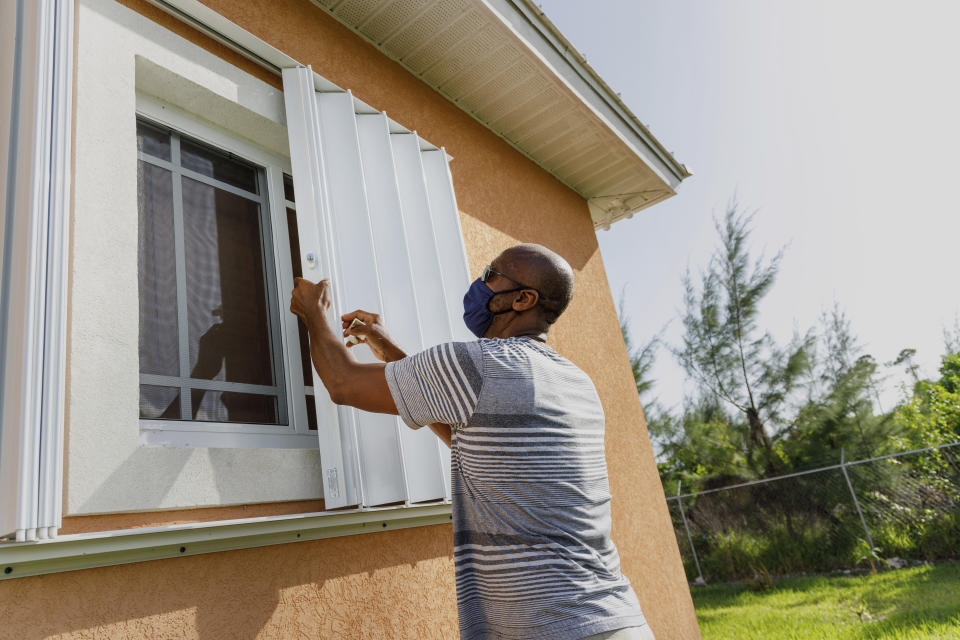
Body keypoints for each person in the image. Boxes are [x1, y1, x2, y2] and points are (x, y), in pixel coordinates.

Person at [289, 243, 654, 640]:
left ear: (522, 299)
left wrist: (315, 313)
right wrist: (390, 349)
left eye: (490, 275)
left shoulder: (479, 363)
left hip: (555, 628)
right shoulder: (575, 381)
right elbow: (475, 439)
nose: (479, 283)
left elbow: (343, 383)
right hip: (616, 618)